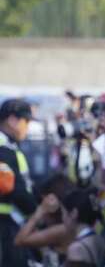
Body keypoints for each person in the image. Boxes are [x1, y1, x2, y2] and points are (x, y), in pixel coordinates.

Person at [0, 98, 37, 267]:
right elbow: (18, 192)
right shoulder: (4, 149)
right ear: (12, 119)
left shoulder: (9, 146)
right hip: (6, 225)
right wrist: (38, 214)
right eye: (26, 121)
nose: (27, 128)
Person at [62, 188, 105, 267]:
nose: (63, 218)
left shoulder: (76, 249)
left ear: (74, 213)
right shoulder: (100, 238)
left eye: (63, 213)